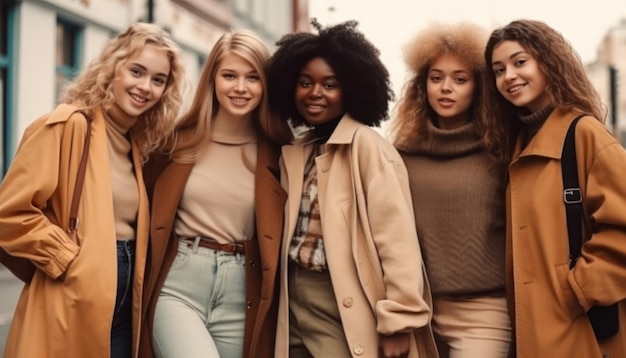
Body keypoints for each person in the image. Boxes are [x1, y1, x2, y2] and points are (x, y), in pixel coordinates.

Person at [0, 22, 185, 358]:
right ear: (112, 68)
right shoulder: (67, 125)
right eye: (137, 71)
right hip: (71, 294)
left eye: (158, 80)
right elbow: (9, 213)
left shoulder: (138, 146)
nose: (146, 87)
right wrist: (67, 257)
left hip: (127, 303)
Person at [267, 19, 438, 358]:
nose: (315, 93)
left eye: (330, 84)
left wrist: (398, 322)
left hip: (339, 299)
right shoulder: (299, 150)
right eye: (305, 83)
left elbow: (397, 240)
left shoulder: (367, 147)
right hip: (292, 300)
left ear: (352, 89)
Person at [138, 29, 293, 358]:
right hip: (179, 284)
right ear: (213, 79)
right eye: (229, 75)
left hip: (243, 292)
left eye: (253, 77)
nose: (240, 87)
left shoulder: (282, 153)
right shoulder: (174, 142)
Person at [484, 19, 626, 357]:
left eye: (520, 62)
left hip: (579, 326)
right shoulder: (518, 145)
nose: (509, 76)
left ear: (548, 61)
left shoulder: (583, 133)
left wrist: (577, 289)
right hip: (536, 328)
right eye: (499, 69)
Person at [388, 22, 511, 358]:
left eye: (460, 79)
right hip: (420, 313)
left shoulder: (500, 152)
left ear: (479, 87)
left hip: (484, 313)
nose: (446, 88)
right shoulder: (401, 156)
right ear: (422, 84)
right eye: (436, 77)